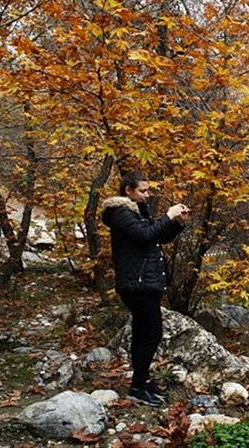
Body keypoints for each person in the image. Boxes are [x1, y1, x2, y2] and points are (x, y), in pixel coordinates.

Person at [101, 171, 189, 406]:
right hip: (135, 285)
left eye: (148, 190)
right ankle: (138, 386)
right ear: (128, 191)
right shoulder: (120, 213)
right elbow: (144, 235)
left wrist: (177, 223)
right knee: (152, 333)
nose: (147, 195)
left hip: (145, 283)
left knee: (142, 333)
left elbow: (155, 239)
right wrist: (167, 216)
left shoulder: (137, 212)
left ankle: (141, 381)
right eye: (143, 191)